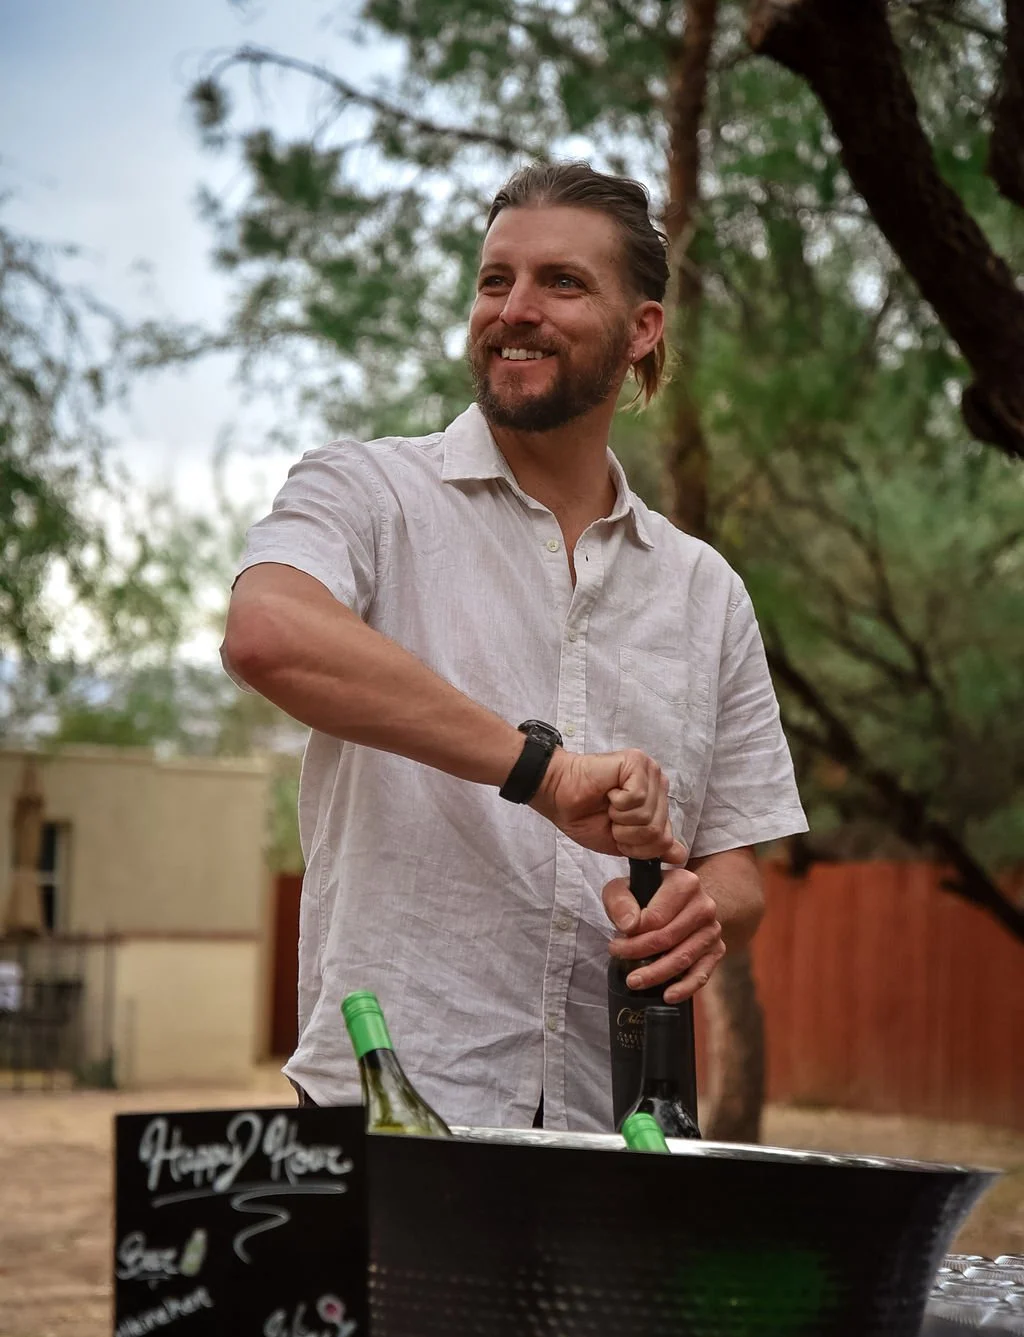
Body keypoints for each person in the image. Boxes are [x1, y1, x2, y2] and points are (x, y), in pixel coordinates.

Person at [223, 160, 807, 1130]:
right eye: (496, 281)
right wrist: (545, 772)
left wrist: (704, 912)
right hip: (393, 1108)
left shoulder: (705, 589)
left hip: (620, 1126)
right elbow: (268, 633)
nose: (515, 308)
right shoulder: (365, 493)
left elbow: (737, 866)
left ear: (643, 329)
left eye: (561, 283)